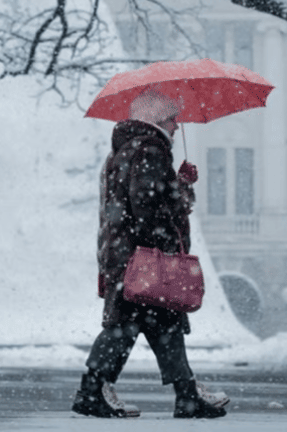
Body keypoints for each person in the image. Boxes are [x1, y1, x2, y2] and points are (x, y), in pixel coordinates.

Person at [72, 89, 229, 419]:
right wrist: (165, 251)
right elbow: (150, 207)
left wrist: (180, 183)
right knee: (128, 326)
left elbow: (141, 201)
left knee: (162, 323)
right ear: (157, 119)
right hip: (142, 258)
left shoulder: (124, 151)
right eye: (173, 119)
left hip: (125, 255)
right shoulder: (151, 149)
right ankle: (93, 391)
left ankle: (185, 394)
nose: (176, 126)